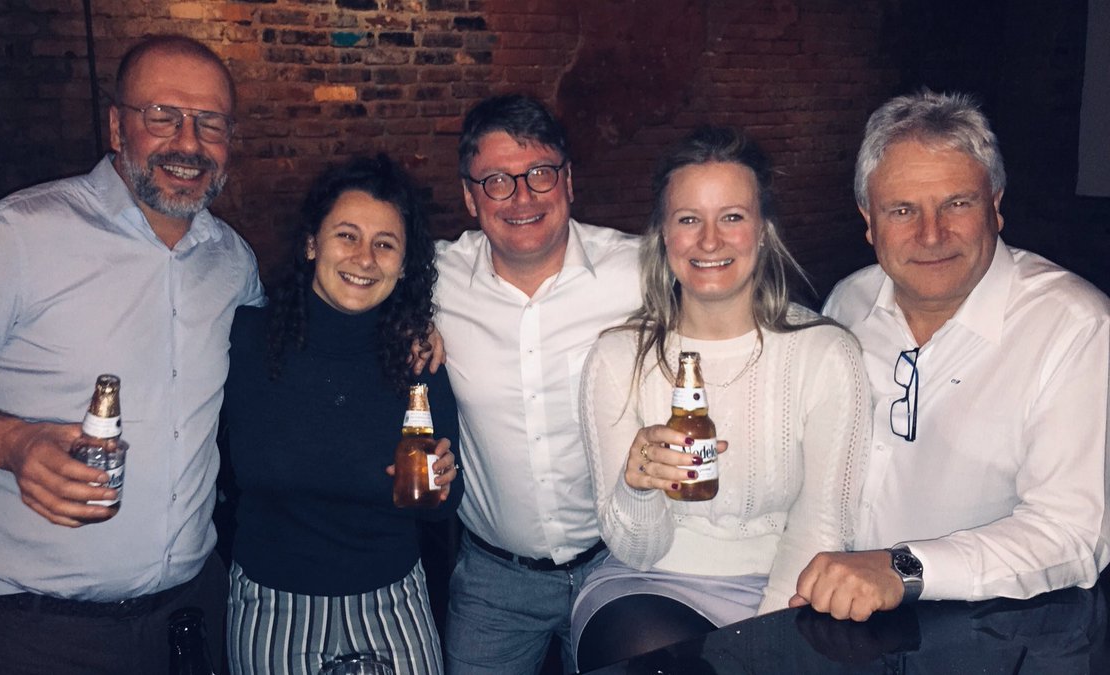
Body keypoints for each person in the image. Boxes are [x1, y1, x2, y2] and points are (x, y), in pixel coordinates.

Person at [0, 35, 262, 673]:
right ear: (117, 126)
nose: (188, 142)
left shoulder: (233, 262)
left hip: (192, 611)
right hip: (34, 630)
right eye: (163, 115)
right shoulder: (20, 235)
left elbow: (285, 359)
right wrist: (7, 441)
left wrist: (410, 330)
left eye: (210, 122)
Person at [793, 89, 1110, 622]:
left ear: (996, 206)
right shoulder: (848, 302)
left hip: (995, 628)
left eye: (956, 204)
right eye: (902, 210)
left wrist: (903, 569)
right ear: (869, 221)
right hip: (833, 609)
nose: (931, 235)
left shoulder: (1076, 328)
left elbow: (1072, 534)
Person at [570, 126, 872, 671]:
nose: (710, 241)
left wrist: (766, 642)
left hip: (793, 584)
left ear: (764, 231)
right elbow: (636, 550)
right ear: (663, 235)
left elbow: (823, 525)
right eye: (689, 219)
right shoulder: (617, 357)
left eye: (732, 216)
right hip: (650, 585)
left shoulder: (825, 352)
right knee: (644, 648)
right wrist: (639, 487)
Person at [224, 154, 462, 674]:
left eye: (385, 244)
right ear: (313, 243)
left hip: (391, 597)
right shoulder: (247, 340)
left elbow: (442, 506)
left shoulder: (415, 357)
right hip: (272, 601)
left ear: (404, 264)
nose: (365, 258)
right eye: (347, 236)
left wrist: (441, 482)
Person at [432, 94, 642, 673]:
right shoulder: (434, 280)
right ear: (470, 197)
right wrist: (404, 328)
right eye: (497, 181)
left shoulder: (638, 271)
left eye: (540, 173)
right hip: (494, 580)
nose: (522, 197)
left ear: (568, 181)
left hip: (618, 566)